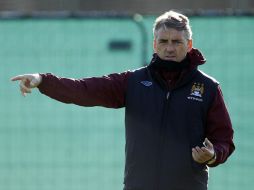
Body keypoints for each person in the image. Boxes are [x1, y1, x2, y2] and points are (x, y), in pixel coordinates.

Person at [11, 10, 235, 190]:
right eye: (164, 41)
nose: (169, 47)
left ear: (189, 44)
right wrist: (42, 80)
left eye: (177, 42)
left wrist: (213, 154)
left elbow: (224, 139)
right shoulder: (134, 81)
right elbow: (84, 89)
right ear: (154, 44)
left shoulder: (208, 88)